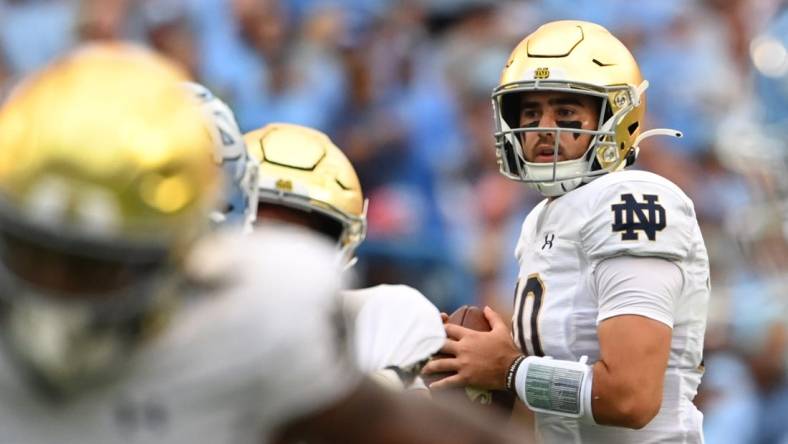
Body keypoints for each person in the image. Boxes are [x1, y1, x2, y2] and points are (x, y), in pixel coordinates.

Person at [422, 20, 710, 443]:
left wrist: (509, 369)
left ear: (616, 116)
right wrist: (469, 360)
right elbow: (560, 394)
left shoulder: (631, 197)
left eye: (566, 113)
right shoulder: (542, 217)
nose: (543, 127)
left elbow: (631, 398)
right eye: (531, 112)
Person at [243, 122, 446, 392]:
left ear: (344, 242)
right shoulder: (181, 330)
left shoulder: (390, 318)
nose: (282, 255)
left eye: (300, 239)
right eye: (262, 231)